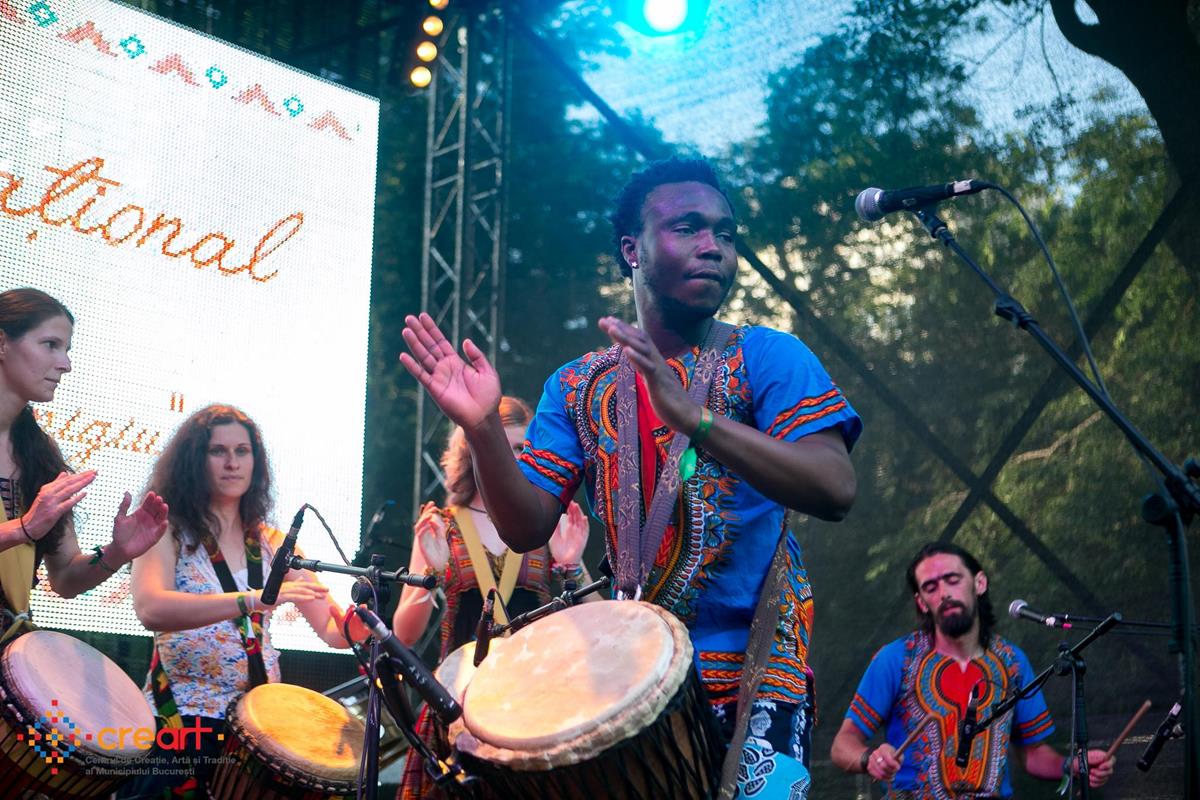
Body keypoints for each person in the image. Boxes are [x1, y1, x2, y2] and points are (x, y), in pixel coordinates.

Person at [400, 157, 861, 797]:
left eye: (725, 233)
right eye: (688, 228)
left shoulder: (768, 355)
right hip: (629, 678)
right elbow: (527, 527)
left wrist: (696, 420)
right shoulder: (578, 385)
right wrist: (482, 431)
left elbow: (834, 488)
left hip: (756, 673)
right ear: (632, 250)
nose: (713, 246)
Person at [125, 403, 365, 798]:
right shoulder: (167, 531)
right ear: (194, 461)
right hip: (181, 718)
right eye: (217, 451)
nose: (232, 463)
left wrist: (362, 621)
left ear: (256, 461)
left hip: (257, 731)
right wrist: (252, 600)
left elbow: (334, 631)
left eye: (242, 451)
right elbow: (151, 609)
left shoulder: (274, 544)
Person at [393, 395, 591, 800]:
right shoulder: (443, 524)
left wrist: (572, 566)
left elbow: (601, 621)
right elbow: (404, 634)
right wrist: (430, 576)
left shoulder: (544, 522)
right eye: (502, 447)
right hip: (457, 705)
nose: (513, 459)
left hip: (531, 704)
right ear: (474, 451)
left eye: (521, 449)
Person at [830, 541, 1116, 797]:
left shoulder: (1013, 662)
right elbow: (842, 745)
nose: (944, 593)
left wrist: (1071, 765)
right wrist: (870, 759)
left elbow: (1032, 754)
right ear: (922, 603)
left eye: (952, 580)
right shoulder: (895, 659)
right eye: (930, 587)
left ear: (979, 583)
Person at [0, 287, 169, 639]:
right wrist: (24, 528)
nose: (65, 364)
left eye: (66, 349)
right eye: (50, 344)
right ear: (2, 343)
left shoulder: (39, 452)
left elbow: (64, 578)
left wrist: (117, 552)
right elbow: (27, 529)